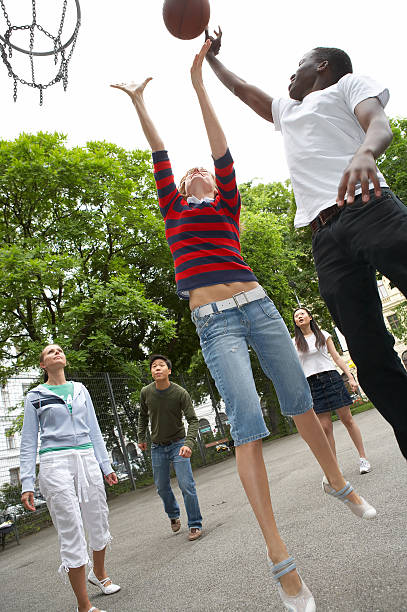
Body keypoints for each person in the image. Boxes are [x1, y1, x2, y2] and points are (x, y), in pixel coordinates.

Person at [111, 40, 376, 612]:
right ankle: (282, 564)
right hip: (214, 320)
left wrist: (201, 84)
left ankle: (338, 483)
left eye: (201, 169)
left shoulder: (227, 203)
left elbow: (218, 143)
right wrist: (139, 102)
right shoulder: (175, 210)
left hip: (256, 303)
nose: (194, 171)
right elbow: (159, 150)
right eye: (187, 175)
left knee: (299, 399)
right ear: (179, 190)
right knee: (248, 425)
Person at [204, 29, 407, 460]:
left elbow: (379, 122)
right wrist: (211, 58)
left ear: (322, 66)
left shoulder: (345, 86)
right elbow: (241, 90)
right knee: (368, 354)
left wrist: (366, 152)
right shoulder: (288, 110)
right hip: (324, 236)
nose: (289, 74)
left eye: (298, 64)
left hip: (368, 204)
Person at [20, 344, 120, 612]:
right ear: (43, 365)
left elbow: (95, 430)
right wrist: (27, 482)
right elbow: (29, 441)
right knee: (72, 528)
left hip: (87, 458)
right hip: (55, 464)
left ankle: (98, 573)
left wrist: (105, 465)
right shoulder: (35, 396)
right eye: (50, 352)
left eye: (60, 350)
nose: (57, 353)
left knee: (98, 518)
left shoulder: (80, 389)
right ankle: (84, 605)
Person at [293, 307, 371, 474]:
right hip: (312, 384)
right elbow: (295, 368)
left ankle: (363, 458)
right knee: (326, 427)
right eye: (296, 316)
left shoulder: (323, 335)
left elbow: (336, 357)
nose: (299, 317)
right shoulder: (294, 342)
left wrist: (350, 377)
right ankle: (334, 469)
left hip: (331, 378)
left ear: (309, 317)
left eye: (302, 314)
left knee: (347, 419)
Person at [137, 354, 202, 541]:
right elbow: (142, 416)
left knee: (186, 485)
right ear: (151, 372)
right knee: (162, 487)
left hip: (178, 444)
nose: (157, 368)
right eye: (154, 366)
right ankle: (173, 514)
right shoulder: (146, 392)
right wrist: (141, 437)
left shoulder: (180, 393)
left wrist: (188, 443)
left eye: (161, 365)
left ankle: (195, 524)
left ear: (169, 371)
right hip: (157, 447)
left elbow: (193, 420)